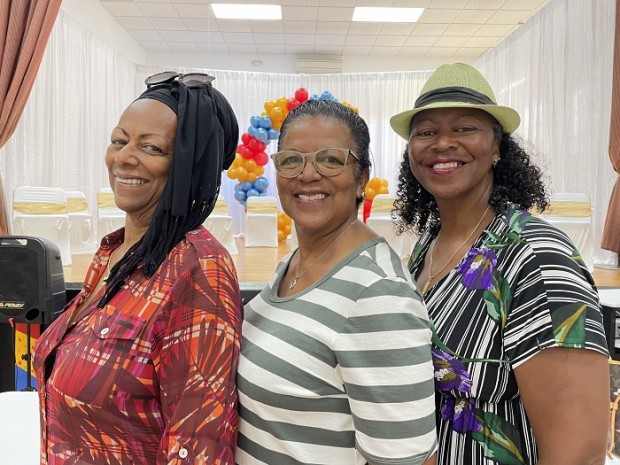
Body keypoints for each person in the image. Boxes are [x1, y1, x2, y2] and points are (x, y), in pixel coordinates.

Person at [390, 62, 610, 465]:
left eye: (464, 128)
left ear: (497, 149)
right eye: (426, 132)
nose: (443, 143)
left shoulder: (536, 255)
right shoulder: (428, 245)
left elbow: (579, 451)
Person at [33, 71, 243, 465]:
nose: (124, 158)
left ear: (189, 166)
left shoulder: (199, 272)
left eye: (151, 147)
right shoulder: (113, 252)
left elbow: (196, 447)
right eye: (119, 140)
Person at [236, 99, 438, 464]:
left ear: (361, 178)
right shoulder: (292, 264)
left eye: (330, 160)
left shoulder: (378, 294)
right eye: (291, 160)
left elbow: (409, 458)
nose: (307, 174)